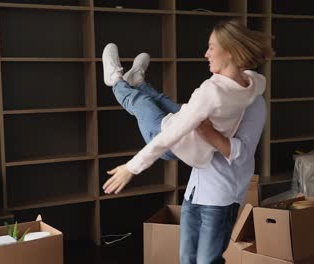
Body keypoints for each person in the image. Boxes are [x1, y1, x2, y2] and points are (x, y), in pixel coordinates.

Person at [102, 19, 270, 263]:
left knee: (142, 105)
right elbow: (193, 115)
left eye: (211, 47)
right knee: (187, 258)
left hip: (216, 192)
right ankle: (138, 82)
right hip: (195, 189)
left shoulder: (251, 100)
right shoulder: (247, 83)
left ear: (232, 52)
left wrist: (131, 168)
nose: (205, 54)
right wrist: (200, 126)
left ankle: (116, 81)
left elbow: (240, 153)